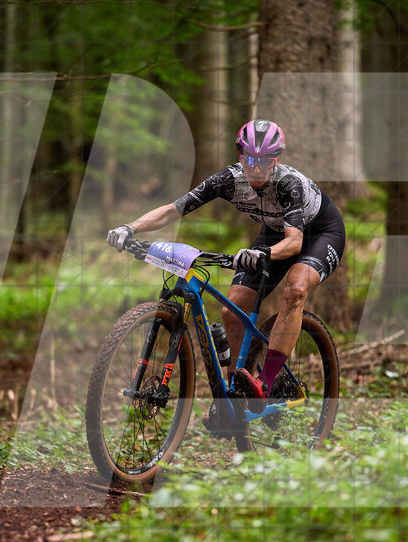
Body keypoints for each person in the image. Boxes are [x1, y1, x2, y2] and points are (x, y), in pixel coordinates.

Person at [106, 119, 345, 421]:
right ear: (240, 155)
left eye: (263, 160)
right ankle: (234, 397)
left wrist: (263, 254)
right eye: (249, 158)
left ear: (276, 159)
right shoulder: (228, 180)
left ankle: (266, 382)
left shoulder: (288, 184)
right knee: (232, 311)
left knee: (296, 289)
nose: (255, 167)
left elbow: (295, 242)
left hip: (319, 234)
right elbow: (174, 209)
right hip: (275, 233)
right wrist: (130, 228)